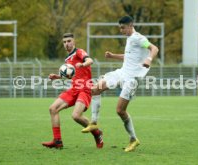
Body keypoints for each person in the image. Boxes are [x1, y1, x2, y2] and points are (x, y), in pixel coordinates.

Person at [81, 16, 159, 152]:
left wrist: (149, 59)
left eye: (123, 27)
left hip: (132, 78)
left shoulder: (138, 38)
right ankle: (93, 123)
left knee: (120, 111)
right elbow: (129, 56)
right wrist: (113, 56)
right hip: (122, 73)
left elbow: (154, 48)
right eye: (120, 28)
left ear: (130, 25)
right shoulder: (130, 39)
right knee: (95, 89)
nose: (121, 30)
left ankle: (133, 139)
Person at [42, 33, 103, 149]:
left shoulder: (79, 52)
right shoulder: (68, 59)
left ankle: (97, 132)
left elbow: (90, 60)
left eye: (69, 41)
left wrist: (83, 64)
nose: (66, 44)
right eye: (64, 42)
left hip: (85, 88)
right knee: (53, 109)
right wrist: (58, 76)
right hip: (74, 88)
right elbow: (71, 74)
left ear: (74, 42)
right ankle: (57, 141)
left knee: (76, 116)